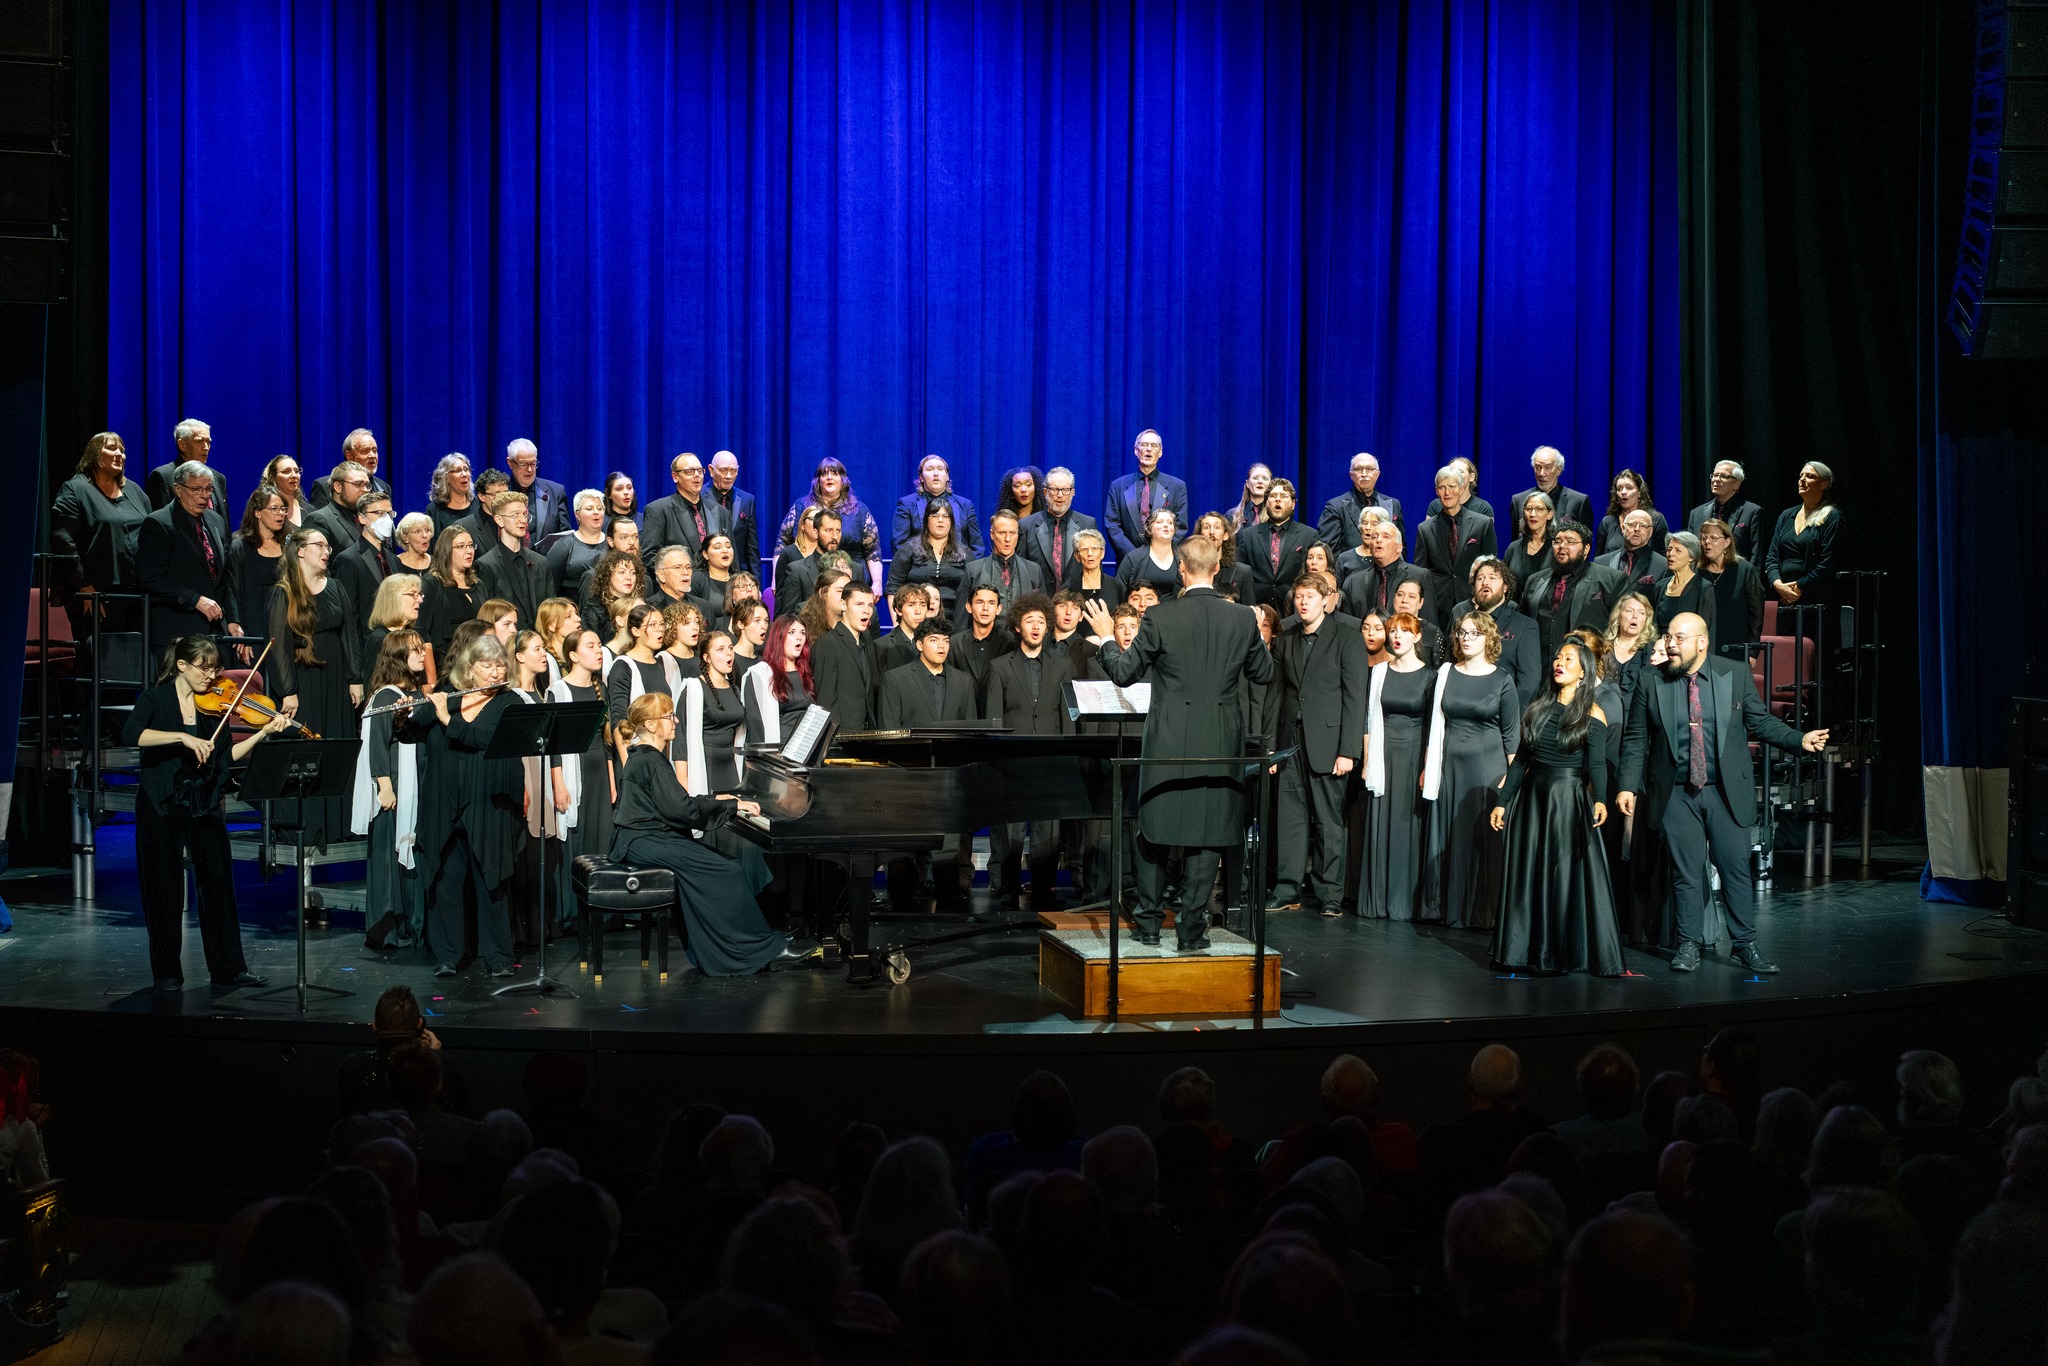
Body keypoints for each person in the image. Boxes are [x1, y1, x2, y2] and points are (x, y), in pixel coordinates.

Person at [1082, 535, 1272, 950]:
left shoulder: (1160, 617)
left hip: (1168, 740)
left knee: (1154, 829)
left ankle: (1149, 926)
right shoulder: (1241, 618)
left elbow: (1125, 672)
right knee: (1209, 832)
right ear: (1217, 570)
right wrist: (1252, 634)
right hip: (1221, 741)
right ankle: (1191, 930)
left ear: (1181, 570)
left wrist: (1106, 640)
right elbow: (1264, 673)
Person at [1618, 611, 1828, 973]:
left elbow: (1759, 722)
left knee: (1734, 868)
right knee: (1685, 872)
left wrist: (1799, 739)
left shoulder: (1734, 673)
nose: (1670, 643)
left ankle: (1744, 944)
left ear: (1702, 642)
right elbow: (1637, 737)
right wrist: (1627, 785)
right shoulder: (1652, 680)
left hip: (1725, 791)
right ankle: (1688, 943)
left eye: (1679, 638)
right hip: (1677, 792)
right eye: (1668, 637)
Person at [122, 636, 287, 990]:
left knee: (218, 887)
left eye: (215, 668)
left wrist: (262, 734)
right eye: (205, 668)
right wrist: (182, 738)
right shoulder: (156, 698)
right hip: (162, 802)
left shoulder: (212, 707)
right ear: (182, 665)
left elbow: (225, 757)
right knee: (162, 889)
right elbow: (132, 734)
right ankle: (167, 973)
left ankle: (229, 969)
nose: (211, 676)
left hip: (204, 801)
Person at [612, 693, 792, 976]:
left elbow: (672, 803)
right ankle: (759, 950)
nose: (676, 720)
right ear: (649, 725)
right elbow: (681, 810)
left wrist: (719, 798)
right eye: (669, 716)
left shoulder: (646, 757)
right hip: (644, 841)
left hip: (644, 839)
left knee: (723, 865)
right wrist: (729, 805)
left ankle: (730, 949)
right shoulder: (651, 761)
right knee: (727, 869)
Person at [1486, 638, 1624, 975]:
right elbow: (1521, 762)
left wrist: (1602, 799)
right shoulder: (1538, 706)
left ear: (1583, 672)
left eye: (1569, 659)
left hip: (1565, 802)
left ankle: (1557, 953)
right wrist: (1503, 802)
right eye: (1558, 657)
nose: (1559, 663)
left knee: (1559, 876)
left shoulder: (1593, 712)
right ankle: (1522, 951)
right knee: (1527, 876)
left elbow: (1596, 766)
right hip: (1532, 801)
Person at [418, 633, 524, 978]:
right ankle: (448, 955)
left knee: (491, 881)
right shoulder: (448, 697)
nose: (495, 673)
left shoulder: (511, 704)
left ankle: (498, 957)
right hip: (444, 803)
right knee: (446, 882)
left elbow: (487, 739)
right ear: (470, 669)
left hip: (488, 805)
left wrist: (450, 722)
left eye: (499, 665)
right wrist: (416, 710)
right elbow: (412, 730)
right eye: (487, 666)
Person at [1268, 572, 1365, 917]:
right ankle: (1287, 888)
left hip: (1328, 742)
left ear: (1326, 600)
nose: (1304, 602)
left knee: (1328, 822)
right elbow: (1276, 694)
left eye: (1311, 596)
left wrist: (1348, 750)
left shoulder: (1347, 638)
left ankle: (1330, 893)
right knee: (1290, 819)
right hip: (1291, 741)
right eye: (1299, 596)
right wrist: (1272, 747)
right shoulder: (1286, 638)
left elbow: (1355, 700)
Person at [270, 527, 365, 850]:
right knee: (310, 747)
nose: (327, 551)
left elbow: (349, 636)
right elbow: (279, 646)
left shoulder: (335, 587)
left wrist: (355, 678)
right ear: (300, 551)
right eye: (319, 546)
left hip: (336, 681)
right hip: (304, 681)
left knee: (336, 745)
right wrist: (288, 689)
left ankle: (338, 824)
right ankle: (308, 825)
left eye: (328, 546)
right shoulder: (284, 592)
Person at [1425, 612, 1521, 931]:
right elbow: (1436, 724)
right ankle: (1451, 909)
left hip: (1486, 770)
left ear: (1488, 639)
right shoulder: (1447, 673)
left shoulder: (1502, 679)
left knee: (1481, 841)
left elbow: (1511, 737)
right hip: (1450, 767)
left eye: (1474, 634)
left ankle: (1482, 911)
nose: (1466, 639)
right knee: (1451, 837)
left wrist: (1511, 783)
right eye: (1462, 633)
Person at [986, 593, 1077, 911]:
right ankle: (1008, 885)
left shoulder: (1064, 664)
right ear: (1017, 626)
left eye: (1041, 621)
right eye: (1029, 621)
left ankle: (1044, 886)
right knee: (1010, 827)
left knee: (1046, 829)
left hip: (1050, 759)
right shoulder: (999, 667)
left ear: (1048, 626)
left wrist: (1067, 759)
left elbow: (1068, 716)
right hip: (1013, 760)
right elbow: (994, 719)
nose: (1036, 626)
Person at [353, 630, 429, 952]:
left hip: (411, 787)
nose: (423, 654)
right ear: (399, 656)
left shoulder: (410, 692)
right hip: (394, 790)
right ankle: (390, 930)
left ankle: (410, 926)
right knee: (389, 857)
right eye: (415, 650)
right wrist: (384, 786)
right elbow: (376, 744)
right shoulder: (386, 695)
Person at [1359, 612, 1435, 921]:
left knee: (1408, 825)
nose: (1396, 636)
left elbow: (1434, 726)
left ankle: (1405, 903)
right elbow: (1368, 719)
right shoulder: (1379, 672)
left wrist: (1428, 765)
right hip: (1383, 755)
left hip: (1414, 755)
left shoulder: (1431, 675)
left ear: (1417, 637)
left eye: (1404, 631)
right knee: (1381, 825)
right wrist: (1366, 762)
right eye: (1393, 631)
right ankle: (1377, 901)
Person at [545, 627, 614, 939]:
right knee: (577, 840)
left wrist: (612, 781)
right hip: (574, 772)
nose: (598, 650)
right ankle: (575, 914)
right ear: (573, 655)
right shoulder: (558, 690)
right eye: (590, 645)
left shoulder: (601, 687)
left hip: (600, 770)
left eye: (599, 644)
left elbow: (607, 739)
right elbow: (554, 743)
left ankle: (603, 909)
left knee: (601, 838)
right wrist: (558, 783)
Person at [136, 459, 242, 650]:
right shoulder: (159, 524)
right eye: (196, 489)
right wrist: (195, 600)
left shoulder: (216, 520)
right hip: (178, 630)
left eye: (208, 489)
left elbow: (224, 576)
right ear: (178, 489)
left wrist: (232, 619)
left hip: (215, 629)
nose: (204, 496)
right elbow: (150, 579)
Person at [50, 430, 149, 635]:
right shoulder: (75, 489)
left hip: (137, 591)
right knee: (99, 656)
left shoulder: (135, 491)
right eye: (112, 448)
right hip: (96, 592)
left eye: (122, 450)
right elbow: (63, 540)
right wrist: (84, 587)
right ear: (95, 454)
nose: (119, 454)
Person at [1521, 520, 1627, 663]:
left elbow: (1622, 629)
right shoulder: (1535, 580)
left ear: (1586, 548)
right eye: (1557, 542)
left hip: (1585, 668)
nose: (1562, 546)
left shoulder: (1611, 580)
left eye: (1570, 542)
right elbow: (1521, 622)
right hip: (1538, 667)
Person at [1454, 557, 1543, 711]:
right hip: (1463, 709)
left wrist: (1509, 716)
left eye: (1493, 578)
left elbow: (1529, 684)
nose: (1485, 583)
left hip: (1502, 716)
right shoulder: (1464, 624)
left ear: (1505, 587)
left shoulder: (1525, 626)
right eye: (1480, 578)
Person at [607, 603, 687, 773]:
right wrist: (630, 767)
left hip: (661, 757)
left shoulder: (666, 663)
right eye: (652, 625)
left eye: (661, 624)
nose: (660, 630)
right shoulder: (623, 666)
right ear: (635, 631)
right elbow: (619, 720)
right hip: (636, 758)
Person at [777, 457, 881, 587]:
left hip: (851, 582)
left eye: (834, 473)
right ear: (818, 481)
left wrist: (877, 583)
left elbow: (873, 551)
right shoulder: (801, 506)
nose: (829, 477)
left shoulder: (859, 510)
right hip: (808, 581)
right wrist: (776, 580)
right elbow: (781, 544)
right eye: (824, 474)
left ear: (843, 480)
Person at [1764, 460, 1842, 614]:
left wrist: (1798, 588)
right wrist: (1778, 585)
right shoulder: (1786, 515)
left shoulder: (1832, 516)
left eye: (1810, 476)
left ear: (1824, 484)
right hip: (1782, 598)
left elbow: (1827, 563)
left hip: (1814, 600)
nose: (1802, 479)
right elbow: (1772, 557)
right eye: (1801, 475)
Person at [1103, 428, 1190, 557]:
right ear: (1136, 451)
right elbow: (1112, 525)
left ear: (1160, 452)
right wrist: (1134, 557)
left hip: (1163, 561)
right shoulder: (1118, 486)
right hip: (1128, 562)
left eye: (1154, 445)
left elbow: (1180, 527)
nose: (1149, 449)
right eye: (1144, 444)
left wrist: (1158, 553)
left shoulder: (1177, 486)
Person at [1237, 479, 1319, 611]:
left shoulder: (1309, 535)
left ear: (1293, 504)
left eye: (1284, 496)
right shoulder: (1248, 536)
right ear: (1266, 502)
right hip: (1257, 609)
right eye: (1273, 496)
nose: (1278, 500)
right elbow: (1240, 576)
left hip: (1294, 609)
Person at [643, 451, 730, 573]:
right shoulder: (658, 510)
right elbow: (650, 557)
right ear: (675, 477)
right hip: (680, 587)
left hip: (716, 587)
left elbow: (732, 556)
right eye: (689, 472)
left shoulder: (720, 511)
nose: (697, 475)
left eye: (700, 471)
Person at [474, 491, 552, 629]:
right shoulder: (486, 565)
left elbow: (550, 607)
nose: (522, 520)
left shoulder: (541, 562)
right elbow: (487, 617)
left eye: (524, 515)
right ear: (499, 520)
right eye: (515, 515)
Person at [224, 484, 289, 645]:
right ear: (258, 512)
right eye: (274, 509)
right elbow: (233, 591)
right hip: (253, 629)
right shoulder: (241, 547)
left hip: (284, 627)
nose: (280, 513)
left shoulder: (288, 545)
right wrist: (243, 635)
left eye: (283, 508)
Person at [812, 582, 877, 731]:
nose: (866, 611)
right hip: (841, 736)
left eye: (870, 605)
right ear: (843, 605)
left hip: (867, 734)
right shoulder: (828, 644)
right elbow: (825, 699)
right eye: (859, 604)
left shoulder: (867, 639)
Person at [962, 509, 1050, 617]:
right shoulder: (973, 571)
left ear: (1018, 535)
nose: (1007, 539)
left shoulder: (1034, 570)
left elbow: (1043, 613)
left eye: (1012, 533)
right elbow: (962, 617)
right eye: (1002, 533)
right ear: (992, 534)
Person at [742, 616, 815, 746]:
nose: (799, 637)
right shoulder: (762, 674)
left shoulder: (807, 673)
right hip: (778, 750)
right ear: (779, 637)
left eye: (802, 633)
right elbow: (755, 723)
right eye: (791, 632)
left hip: (805, 748)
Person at [1343, 522, 1434, 623]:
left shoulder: (1420, 576)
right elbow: (1348, 625)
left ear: (1399, 547)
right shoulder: (1354, 581)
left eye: (1386, 537)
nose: (1378, 540)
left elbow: (1429, 624)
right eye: (1374, 537)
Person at [332, 486, 396, 631]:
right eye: (379, 513)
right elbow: (350, 616)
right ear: (362, 518)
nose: (386, 520)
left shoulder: (393, 560)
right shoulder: (348, 560)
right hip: (366, 644)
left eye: (389, 514)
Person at [1696, 517, 1764, 652]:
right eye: (1704, 538)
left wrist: (1752, 651)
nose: (1707, 542)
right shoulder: (1697, 572)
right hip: (1702, 648)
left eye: (1713, 538)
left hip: (1735, 648)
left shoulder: (1745, 570)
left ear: (1727, 542)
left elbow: (1756, 614)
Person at [418, 525, 482, 666]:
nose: (469, 551)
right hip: (447, 663)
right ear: (446, 551)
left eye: (471, 546)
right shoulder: (432, 583)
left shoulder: (478, 584)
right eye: (461, 546)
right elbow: (421, 631)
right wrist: (431, 676)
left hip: (478, 661)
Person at [1018, 466, 1093, 585]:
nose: (1060, 495)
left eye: (1065, 490)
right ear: (1045, 492)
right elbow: (1020, 570)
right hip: (1038, 600)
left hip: (1075, 600)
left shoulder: (1087, 524)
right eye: (1054, 489)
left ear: (1073, 492)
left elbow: (1093, 572)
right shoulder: (1026, 526)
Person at [1316, 452, 1404, 550]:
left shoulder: (1394, 504)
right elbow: (1329, 551)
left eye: (1369, 469)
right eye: (1358, 469)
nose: (1364, 474)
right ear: (1351, 475)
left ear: (1378, 473)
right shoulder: (1335, 507)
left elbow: (1400, 547)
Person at [948, 584, 1014, 712]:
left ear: (999, 609)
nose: (985, 608)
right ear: (969, 607)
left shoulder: (1010, 642)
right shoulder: (954, 643)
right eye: (979, 602)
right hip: (963, 715)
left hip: (999, 714)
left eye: (991, 603)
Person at [144, 417, 229, 513]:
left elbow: (224, 524)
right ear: (182, 445)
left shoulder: (219, 478)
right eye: (199, 441)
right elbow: (159, 521)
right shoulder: (163, 477)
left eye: (208, 442)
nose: (206, 447)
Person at [1686, 459, 1765, 562]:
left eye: (1723, 476)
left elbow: (1757, 557)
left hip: (1737, 575)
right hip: (1703, 575)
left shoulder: (1753, 512)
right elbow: (1691, 552)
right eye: (1714, 475)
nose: (1716, 480)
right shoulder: (1696, 514)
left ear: (1736, 484)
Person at [1510, 444, 1594, 531]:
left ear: (1558, 470)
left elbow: (1585, 540)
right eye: (1537, 468)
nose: (1541, 473)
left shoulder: (1579, 501)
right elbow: (1517, 542)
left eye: (1548, 467)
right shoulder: (1519, 500)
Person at [1654, 531, 1717, 646]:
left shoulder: (1703, 588)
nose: (1671, 554)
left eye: (1678, 550)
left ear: (1691, 557)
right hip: (1661, 654)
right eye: (1669, 549)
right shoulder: (1660, 586)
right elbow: (1653, 628)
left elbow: (1706, 631)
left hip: (1688, 655)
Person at [308, 427, 392, 510]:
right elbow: (319, 521)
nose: (372, 455)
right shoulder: (325, 486)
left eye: (374, 451)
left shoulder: (383, 487)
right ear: (349, 455)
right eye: (365, 451)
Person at [501, 438, 568, 542]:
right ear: (510, 463)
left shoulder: (556, 492)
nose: (529, 470)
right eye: (523, 464)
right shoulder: (501, 493)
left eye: (533, 464)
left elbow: (565, 537)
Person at [706, 450, 760, 577]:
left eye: (734, 471)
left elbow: (752, 547)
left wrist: (756, 583)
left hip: (738, 575)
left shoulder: (747, 500)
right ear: (711, 470)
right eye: (724, 470)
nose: (729, 476)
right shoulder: (699, 497)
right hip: (707, 575)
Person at [547, 489, 611, 597]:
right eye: (589, 508)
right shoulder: (563, 546)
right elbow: (550, 590)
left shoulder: (612, 543)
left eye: (600, 508)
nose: (596, 512)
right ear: (577, 514)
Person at [1596, 508, 1671, 596]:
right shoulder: (1601, 562)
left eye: (1643, 526)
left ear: (1650, 532)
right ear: (1623, 528)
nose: (1637, 529)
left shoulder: (1663, 565)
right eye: (1632, 524)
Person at [1597, 468, 1668, 555]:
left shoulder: (1656, 519)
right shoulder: (1607, 522)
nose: (1623, 492)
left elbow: (1664, 558)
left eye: (1629, 488)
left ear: (1639, 493)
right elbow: (1599, 559)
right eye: (1619, 489)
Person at [1118, 507, 1183, 600]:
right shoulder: (1133, 558)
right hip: (1142, 612)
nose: (1166, 525)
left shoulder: (1184, 557)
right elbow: (1119, 591)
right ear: (1149, 529)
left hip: (1175, 611)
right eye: (1160, 522)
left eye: (1170, 522)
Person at [305, 459, 370, 552]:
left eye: (367, 485)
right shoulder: (319, 520)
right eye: (358, 484)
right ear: (338, 487)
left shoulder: (368, 518)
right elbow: (314, 562)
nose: (365, 490)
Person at [1195, 511, 1256, 604]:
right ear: (1199, 536)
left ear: (1225, 535)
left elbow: (1249, 611)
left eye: (1217, 527)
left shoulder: (1243, 572)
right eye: (1207, 527)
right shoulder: (1190, 570)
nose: (1212, 532)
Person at [364, 573, 424, 665]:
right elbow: (373, 678)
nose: (420, 600)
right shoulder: (380, 639)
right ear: (394, 599)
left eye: (419, 594)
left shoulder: (412, 636)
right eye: (412, 594)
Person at [1061, 527, 1123, 613]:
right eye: (1084, 549)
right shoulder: (1068, 587)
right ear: (1076, 556)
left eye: (1094, 549)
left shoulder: (1117, 586)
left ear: (1102, 553)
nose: (1090, 554)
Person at [1504, 490, 1554, 590]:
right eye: (1528, 509)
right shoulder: (1513, 548)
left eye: (1539, 509)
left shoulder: (1556, 548)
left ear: (1549, 514)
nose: (1532, 514)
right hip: (1515, 604)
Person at [425, 454, 478, 540]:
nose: (464, 474)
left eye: (466, 469)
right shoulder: (434, 511)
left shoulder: (480, 505)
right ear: (446, 478)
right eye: (458, 471)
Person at [1230, 462, 1272, 533]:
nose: (1260, 481)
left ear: (1271, 484)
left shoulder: (1276, 515)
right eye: (1255, 478)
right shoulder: (1232, 515)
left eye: (1265, 478)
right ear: (1247, 484)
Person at [392, 511, 435, 576]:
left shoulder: (436, 563)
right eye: (417, 531)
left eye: (427, 530)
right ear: (405, 537)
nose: (425, 535)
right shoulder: (394, 564)